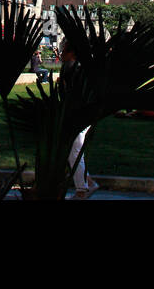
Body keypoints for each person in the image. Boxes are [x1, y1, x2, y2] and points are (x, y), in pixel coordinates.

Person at [60, 41, 99, 197]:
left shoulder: (71, 68)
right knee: (74, 151)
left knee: (75, 150)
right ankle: (88, 183)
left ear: (71, 53)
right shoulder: (80, 68)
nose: (61, 55)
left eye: (64, 52)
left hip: (78, 114)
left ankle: (82, 189)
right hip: (83, 113)